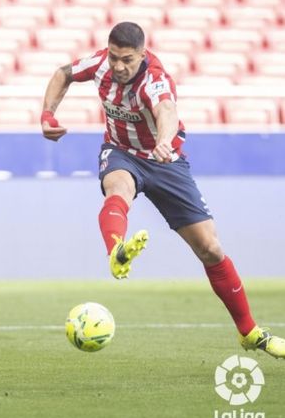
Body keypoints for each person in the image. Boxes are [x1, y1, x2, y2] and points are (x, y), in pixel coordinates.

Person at [40, 22, 284, 359]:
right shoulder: (99, 66)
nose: (118, 66)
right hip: (121, 152)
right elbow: (63, 73)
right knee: (118, 188)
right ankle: (116, 250)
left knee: (210, 248)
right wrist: (48, 114)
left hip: (164, 159)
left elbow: (166, 110)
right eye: (114, 57)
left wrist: (165, 142)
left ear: (142, 54)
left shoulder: (154, 80)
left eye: (127, 59)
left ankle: (250, 332)